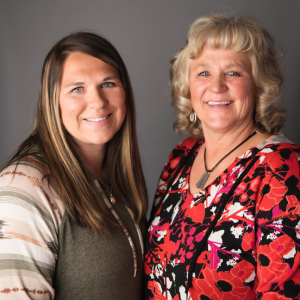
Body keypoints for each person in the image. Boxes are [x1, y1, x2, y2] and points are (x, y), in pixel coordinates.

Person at [144, 13, 300, 299]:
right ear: (188, 87)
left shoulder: (281, 168)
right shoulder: (181, 157)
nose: (216, 86)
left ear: (258, 84)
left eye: (233, 72)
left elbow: (283, 293)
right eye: (203, 72)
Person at [0, 32, 147, 299]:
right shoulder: (24, 187)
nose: (98, 101)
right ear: (52, 100)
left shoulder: (115, 175)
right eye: (77, 88)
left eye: (109, 84)